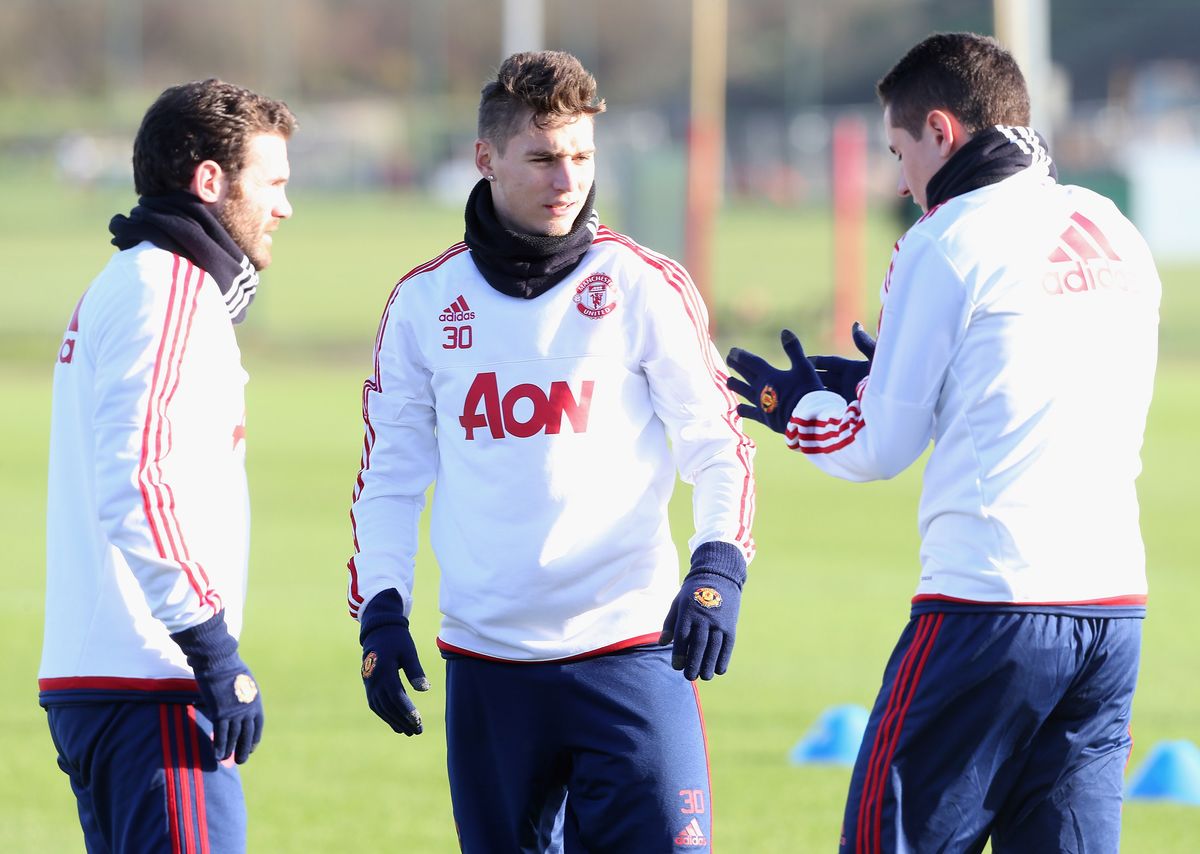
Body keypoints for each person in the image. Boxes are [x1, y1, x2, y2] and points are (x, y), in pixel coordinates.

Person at [725, 32, 1160, 854]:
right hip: (1113, 610)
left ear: (939, 130)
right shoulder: (1112, 227)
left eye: (898, 151)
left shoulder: (948, 236)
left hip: (989, 607)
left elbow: (877, 447)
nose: (899, 179)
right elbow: (1027, 375)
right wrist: (883, 378)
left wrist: (802, 409)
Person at [347, 50, 755, 852]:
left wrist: (717, 568)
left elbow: (718, 444)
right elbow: (387, 478)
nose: (567, 180)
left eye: (581, 156)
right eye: (541, 158)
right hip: (488, 664)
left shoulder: (643, 286)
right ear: (485, 159)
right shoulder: (425, 303)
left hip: (631, 650)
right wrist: (380, 608)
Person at [40, 79, 295, 853]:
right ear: (211, 181)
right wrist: (213, 649)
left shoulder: (133, 279)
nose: (285, 207)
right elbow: (138, 484)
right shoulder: (169, 289)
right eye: (274, 182)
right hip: (150, 684)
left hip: (111, 683)